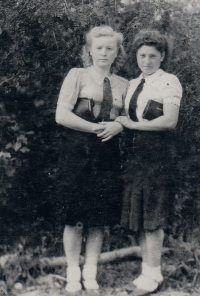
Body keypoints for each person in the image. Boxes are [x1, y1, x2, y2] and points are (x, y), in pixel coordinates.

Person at [55, 26, 128, 293]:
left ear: (117, 52)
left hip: (107, 154)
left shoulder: (123, 83)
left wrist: (119, 124)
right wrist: (96, 128)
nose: (104, 53)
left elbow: (129, 117)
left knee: (99, 217)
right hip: (78, 152)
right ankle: (73, 272)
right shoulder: (78, 75)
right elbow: (61, 115)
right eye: (99, 48)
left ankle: (91, 272)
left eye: (110, 48)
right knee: (74, 215)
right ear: (89, 50)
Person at [116, 30, 182, 295]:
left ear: (162, 56)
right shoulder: (132, 83)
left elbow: (170, 120)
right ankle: (147, 272)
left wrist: (132, 124)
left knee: (153, 216)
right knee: (140, 215)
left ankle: (154, 276)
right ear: (136, 56)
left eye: (152, 56)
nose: (146, 61)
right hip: (134, 155)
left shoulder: (169, 81)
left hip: (158, 155)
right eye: (142, 55)